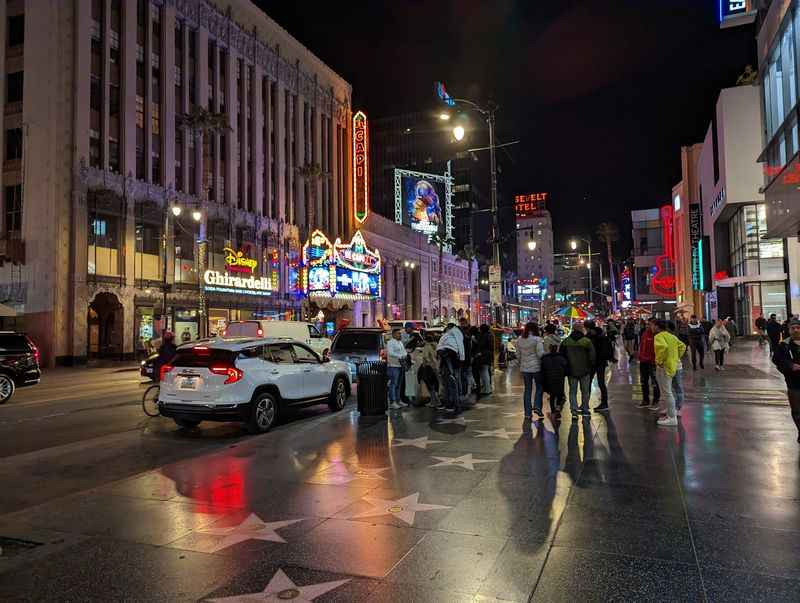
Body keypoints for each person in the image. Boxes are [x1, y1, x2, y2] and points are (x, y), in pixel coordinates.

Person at [653, 320, 686, 427]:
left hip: (665, 367)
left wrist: (659, 361)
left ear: (657, 327)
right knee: (671, 391)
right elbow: (682, 346)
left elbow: (663, 347)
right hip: (674, 365)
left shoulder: (658, 337)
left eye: (652, 325)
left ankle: (672, 418)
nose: (651, 327)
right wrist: (676, 357)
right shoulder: (672, 336)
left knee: (667, 392)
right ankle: (671, 413)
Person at [772, 318, 800, 443]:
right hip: (793, 382)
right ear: (789, 330)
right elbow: (776, 360)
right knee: (797, 411)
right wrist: (789, 366)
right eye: (793, 328)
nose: (795, 330)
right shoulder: (784, 345)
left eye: (798, 328)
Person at [561, 322, 596, 419]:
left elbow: (562, 357)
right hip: (585, 371)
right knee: (585, 391)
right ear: (581, 329)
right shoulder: (587, 341)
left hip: (571, 371)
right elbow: (592, 357)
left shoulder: (566, 341)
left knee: (572, 391)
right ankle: (585, 409)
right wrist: (590, 367)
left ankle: (574, 411)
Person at [516, 322, 545, 419]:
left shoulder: (520, 339)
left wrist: (522, 363)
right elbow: (540, 354)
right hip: (536, 368)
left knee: (527, 390)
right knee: (539, 387)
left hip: (524, 368)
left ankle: (527, 413)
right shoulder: (537, 339)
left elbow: (518, 355)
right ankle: (537, 406)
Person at [587, 323, 615, 412]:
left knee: (592, 383)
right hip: (600, 363)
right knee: (600, 383)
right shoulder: (603, 338)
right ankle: (604, 403)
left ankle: (586, 403)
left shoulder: (593, 338)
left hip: (595, 363)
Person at [436, 323, 465, 412]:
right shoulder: (455, 336)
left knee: (452, 384)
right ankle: (450, 403)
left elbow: (459, 346)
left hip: (451, 364)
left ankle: (453, 404)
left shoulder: (453, 335)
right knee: (450, 384)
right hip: (453, 362)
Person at [638, 318, 660, 409]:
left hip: (652, 362)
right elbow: (642, 346)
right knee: (643, 381)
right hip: (643, 361)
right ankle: (645, 400)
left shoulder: (658, 335)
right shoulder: (645, 333)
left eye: (650, 324)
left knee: (655, 382)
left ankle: (655, 401)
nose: (648, 326)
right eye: (648, 324)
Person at [541, 342, 568, 418]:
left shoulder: (545, 358)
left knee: (552, 396)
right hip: (559, 379)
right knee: (559, 395)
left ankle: (553, 410)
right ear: (557, 349)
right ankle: (558, 407)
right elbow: (566, 367)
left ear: (549, 349)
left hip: (549, 379)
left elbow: (542, 369)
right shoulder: (561, 358)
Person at [667, 321, 686, 416]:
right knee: (669, 388)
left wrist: (677, 357)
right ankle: (671, 407)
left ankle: (678, 408)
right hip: (670, 366)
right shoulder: (669, 337)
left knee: (677, 387)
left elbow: (683, 347)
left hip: (676, 367)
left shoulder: (673, 338)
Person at [386, 329, 407, 410]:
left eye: (400, 333)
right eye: (398, 333)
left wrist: (404, 355)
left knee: (399, 384)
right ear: (394, 334)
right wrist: (400, 356)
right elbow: (390, 353)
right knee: (393, 384)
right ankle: (392, 402)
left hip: (400, 365)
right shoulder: (390, 342)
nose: (400, 335)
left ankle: (398, 400)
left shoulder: (400, 342)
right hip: (393, 366)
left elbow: (404, 351)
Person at [419, 334, 441, 408]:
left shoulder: (427, 347)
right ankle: (438, 401)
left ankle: (433, 401)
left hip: (428, 367)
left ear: (426, 340)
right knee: (436, 384)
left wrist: (424, 367)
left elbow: (425, 358)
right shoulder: (436, 346)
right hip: (436, 367)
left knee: (430, 385)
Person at [473, 324, 494, 396]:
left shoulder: (484, 336)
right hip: (487, 356)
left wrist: (475, 340)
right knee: (485, 373)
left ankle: (487, 389)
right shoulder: (490, 335)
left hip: (483, 356)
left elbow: (481, 345)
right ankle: (487, 389)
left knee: (484, 373)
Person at [458, 318, 474, 401]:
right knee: (467, 375)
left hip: (465, 358)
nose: (461, 324)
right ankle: (468, 390)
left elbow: (468, 348)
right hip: (466, 358)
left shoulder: (466, 334)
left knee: (464, 376)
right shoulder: (467, 333)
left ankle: (465, 392)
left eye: (461, 323)